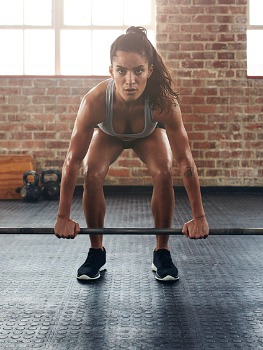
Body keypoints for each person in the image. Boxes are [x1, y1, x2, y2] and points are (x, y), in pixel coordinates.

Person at [53, 26, 209, 282]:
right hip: (108, 135)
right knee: (91, 172)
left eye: (138, 71)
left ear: (150, 70)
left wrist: (199, 217)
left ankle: (162, 252)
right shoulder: (94, 102)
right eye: (121, 71)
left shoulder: (164, 103)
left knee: (163, 171)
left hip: (148, 134)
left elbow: (185, 161)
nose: (130, 80)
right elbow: (72, 160)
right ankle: (96, 252)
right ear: (111, 71)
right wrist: (62, 216)